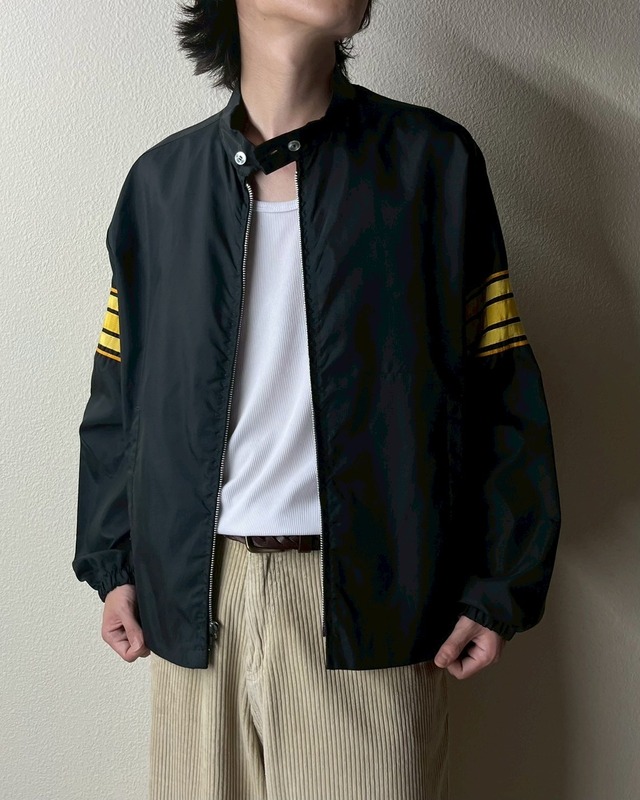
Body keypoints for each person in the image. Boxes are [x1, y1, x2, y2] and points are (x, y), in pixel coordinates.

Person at [72, 1, 562, 798]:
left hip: (375, 601)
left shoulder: (430, 164)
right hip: (195, 601)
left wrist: (500, 583)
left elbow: (499, 381)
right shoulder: (160, 186)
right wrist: (113, 561)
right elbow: (118, 399)